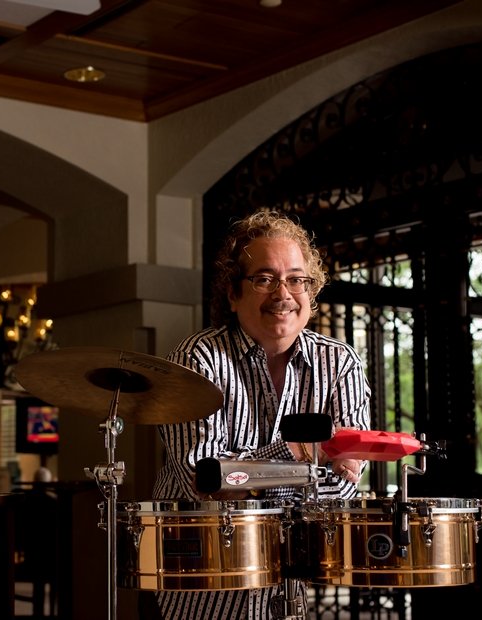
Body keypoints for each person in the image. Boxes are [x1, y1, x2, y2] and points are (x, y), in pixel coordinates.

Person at [152, 209, 372, 619]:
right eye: (264, 279)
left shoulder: (340, 363)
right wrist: (300, 453)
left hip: (288, 585)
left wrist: (249, 477)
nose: (283, 293)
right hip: (204, 586)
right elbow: (207, 481)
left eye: (297, 279)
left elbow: (343, 489)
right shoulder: (198, 359)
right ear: (233, 294)